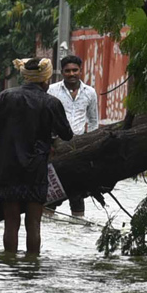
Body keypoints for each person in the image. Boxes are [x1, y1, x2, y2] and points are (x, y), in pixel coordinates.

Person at [0, 58, 74, 256]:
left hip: (7, 168)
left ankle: (10, 264)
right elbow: (67, 134)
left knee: (11, 224)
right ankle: (32, 266)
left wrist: (4, 129)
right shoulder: (51, 102)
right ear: (45, 80)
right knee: (34, 224)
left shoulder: (5, 96)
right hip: (36, 169)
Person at [47, 54, 99, 217]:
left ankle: (77, 223)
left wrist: (92, 145)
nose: (71, 74)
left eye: (75, 70)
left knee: (77, 187)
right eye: (67, 71)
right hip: (56, 145)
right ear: (62, 72)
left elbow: (93, 121)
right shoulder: (52, 90)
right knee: (53, 183)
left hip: (80, 144)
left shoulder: (90, 92)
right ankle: (47, 216)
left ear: (80, 71)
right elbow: (46, 118)